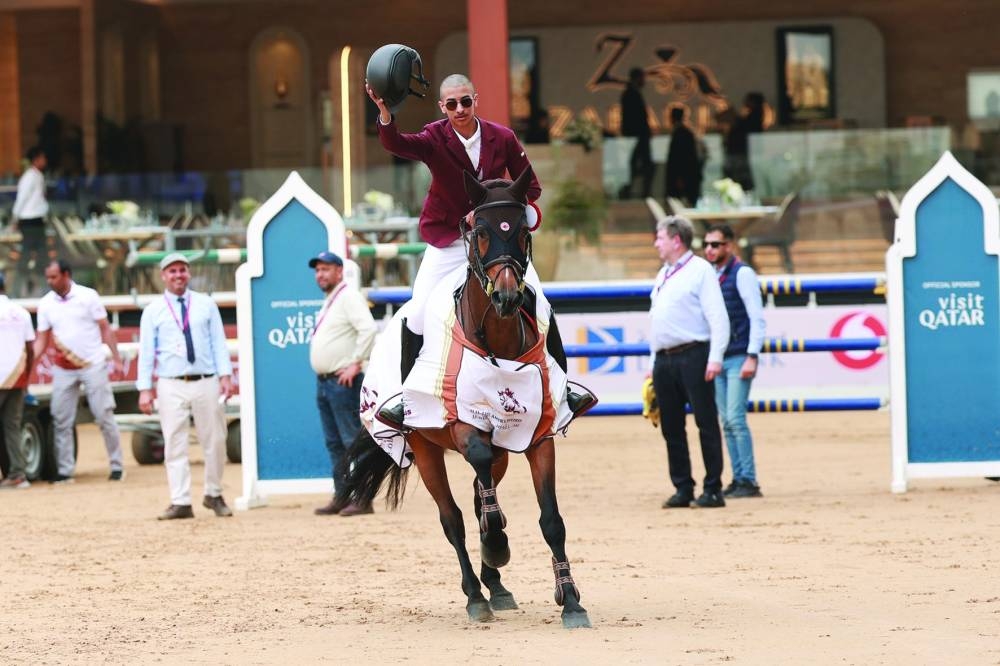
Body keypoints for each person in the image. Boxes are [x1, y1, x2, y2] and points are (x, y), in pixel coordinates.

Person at [366, 72, 594, 427]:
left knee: (541, 303)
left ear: (476, 100)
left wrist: (493, 208)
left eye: (466, 101)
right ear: (443, 107)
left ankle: (564, 391)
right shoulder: (434, 136)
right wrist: (384, 113)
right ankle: (405, 398)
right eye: (452, 104)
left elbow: (529, 187)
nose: (460, 109)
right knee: (418, 312)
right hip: (448, 239)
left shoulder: (502, 137)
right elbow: (396, 144)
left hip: (495, 241)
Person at [137, 253, 235, 520]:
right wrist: (144, 388)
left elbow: (218, 342)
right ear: (163, 276)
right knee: (174, 441)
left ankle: (213, 493)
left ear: (188, 274)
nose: (178, 275)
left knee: (215, 439)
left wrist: (226, 374)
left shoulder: (205, 305)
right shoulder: (153, 311)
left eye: (182, 270)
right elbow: (147, 352)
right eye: (172, 271)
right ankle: (180, 500)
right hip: (170, 382)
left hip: (205, 378)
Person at [649, 216, 730, 509]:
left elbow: (717, 316)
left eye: (660, 237)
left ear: (676, 240)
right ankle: (683, 486)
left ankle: (713, 488)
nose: (657, 243)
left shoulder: (700, 271)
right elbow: (657, 318)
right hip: (666, 358)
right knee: (671, 426)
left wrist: (715, 357)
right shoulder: (664, 273)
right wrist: (653, 359)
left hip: (694, 353)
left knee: (706, 423)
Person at [34, 260, 124, 483]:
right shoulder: (45, 304)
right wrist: (27, 364)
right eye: (48, 277)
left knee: (104, 415)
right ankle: (65, 471)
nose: (50, 281)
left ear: (66, 275)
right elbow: (42, 340)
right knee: (61, 420)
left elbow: (105, 328)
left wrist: (117, 358)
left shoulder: (88, 296)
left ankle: (117, 466)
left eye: (53, 277)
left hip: (93, 364)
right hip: (63, 368)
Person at [307, 250, 377, 517]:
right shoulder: (332, 299)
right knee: (335, 442)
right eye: (318, 270)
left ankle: (362, 497)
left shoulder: (348, 296)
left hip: (342, 381)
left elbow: (368, 329)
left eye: (326, 269)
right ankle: (342, 495)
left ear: (339, 271)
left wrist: (356, 362)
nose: (320, 275)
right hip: (327, 382)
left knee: (351, 441)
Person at [703, 224, 766, 498]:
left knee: (735, 419)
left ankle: (747, 479)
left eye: (715, 244)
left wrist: (752, 355)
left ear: (729, 245)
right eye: (707, 244)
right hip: (721, 357)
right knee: (727, 420)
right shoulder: (713, 275)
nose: (709, 249)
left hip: (738, 355)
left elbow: (756, 317)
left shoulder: (743, 274)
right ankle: (740, 476)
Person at [0, 273, 35, 489]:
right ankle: (18, 474)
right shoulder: (21, 313)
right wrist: (26, 376)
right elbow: (30, 349)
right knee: (12, 426)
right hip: (17, 378)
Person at [11, 146, 49, 298]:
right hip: (29, 220)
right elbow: (22, 198)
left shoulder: (37, 175)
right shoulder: (30, 177)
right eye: (43, 158)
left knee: (42, 256)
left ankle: (40, 288)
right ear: (36, 159)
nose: (45, 161)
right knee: (27, 255)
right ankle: (19, 288)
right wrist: (15, 218)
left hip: (37, 219)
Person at [619, 67, 653, 199]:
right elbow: (633, 118)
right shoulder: (630, 94)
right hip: (637, 137)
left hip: (637, 137)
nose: (644, 81)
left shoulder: (632, 93)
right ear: (637, 78)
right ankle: (633, 191)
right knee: (640, 166)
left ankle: (631, 191)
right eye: (642, 78)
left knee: (639, 166)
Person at [723, 92, 765, 192]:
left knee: (740, 180)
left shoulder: (754, 117)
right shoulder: (754, 116)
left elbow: (743, 129)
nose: (745, 102)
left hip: (741, 153)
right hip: (742, 153)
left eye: (748, 100)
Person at [665, 105, 703, 206]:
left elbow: (681, 158)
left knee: (682, 205)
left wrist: (680, 177)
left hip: (685, 177)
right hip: (688, 176)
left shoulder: (680, 134)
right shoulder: (685, 132)